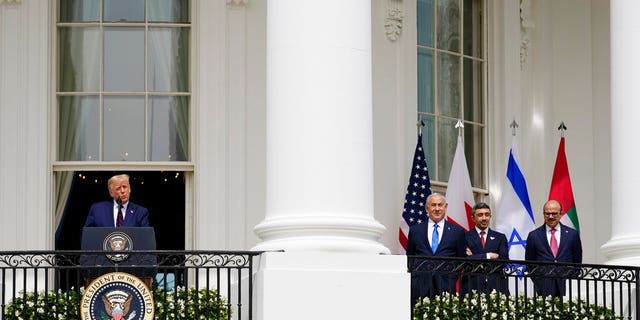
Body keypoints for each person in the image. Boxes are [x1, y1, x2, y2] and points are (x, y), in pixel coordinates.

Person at [407, 193, 466, 303]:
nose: (437, 209)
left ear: (446, 207)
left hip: (446, 286)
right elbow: (410, 256)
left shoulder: (457, 232)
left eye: (440, 205)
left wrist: (452, 277)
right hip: (420, 286)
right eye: (433, 205)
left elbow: (461, 259)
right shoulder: (415, 230)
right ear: (427, 208)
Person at [525, 199, 582, 297]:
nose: (551, 216)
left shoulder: (572, 234)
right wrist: (539, 282)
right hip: (543, 287)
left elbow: (577, 261)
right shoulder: (534, 235)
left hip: (567, 286)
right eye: (547, 213)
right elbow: (529, 263)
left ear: (561, 214)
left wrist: (570, 278)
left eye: (554, 213)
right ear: (543, 214)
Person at [463, 202, 509, 295]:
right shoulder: (464, 237)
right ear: (473, 218)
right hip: (472, 285)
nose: (484, 218)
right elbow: (464, 260)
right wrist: (488, 256)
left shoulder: (500, 237)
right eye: (480, 215)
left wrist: (475, 257)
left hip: (497, 285)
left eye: (487, 215)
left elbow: (504, 260)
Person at [84, 174, 150, 227]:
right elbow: (87, 236)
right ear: (111, 193)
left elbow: (145, 238)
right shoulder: (97, 210)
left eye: (125, 187)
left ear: (130, 189)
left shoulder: (140, 212)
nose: (122, 191)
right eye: (118, 188)